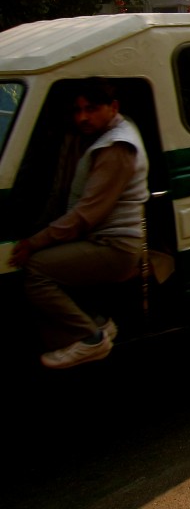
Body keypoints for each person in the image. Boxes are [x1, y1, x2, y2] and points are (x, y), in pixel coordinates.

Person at [10, 78, 149, 369]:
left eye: (91, 109)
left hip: (114, 246)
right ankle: (97, 324)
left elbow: (87, 214)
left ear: (113, 107)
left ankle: (89, 336)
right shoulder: (113, 132)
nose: (82, 117)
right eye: (77, 110)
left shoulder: (116, 147)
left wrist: (35, 241)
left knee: (36, 269)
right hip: (103, 240)